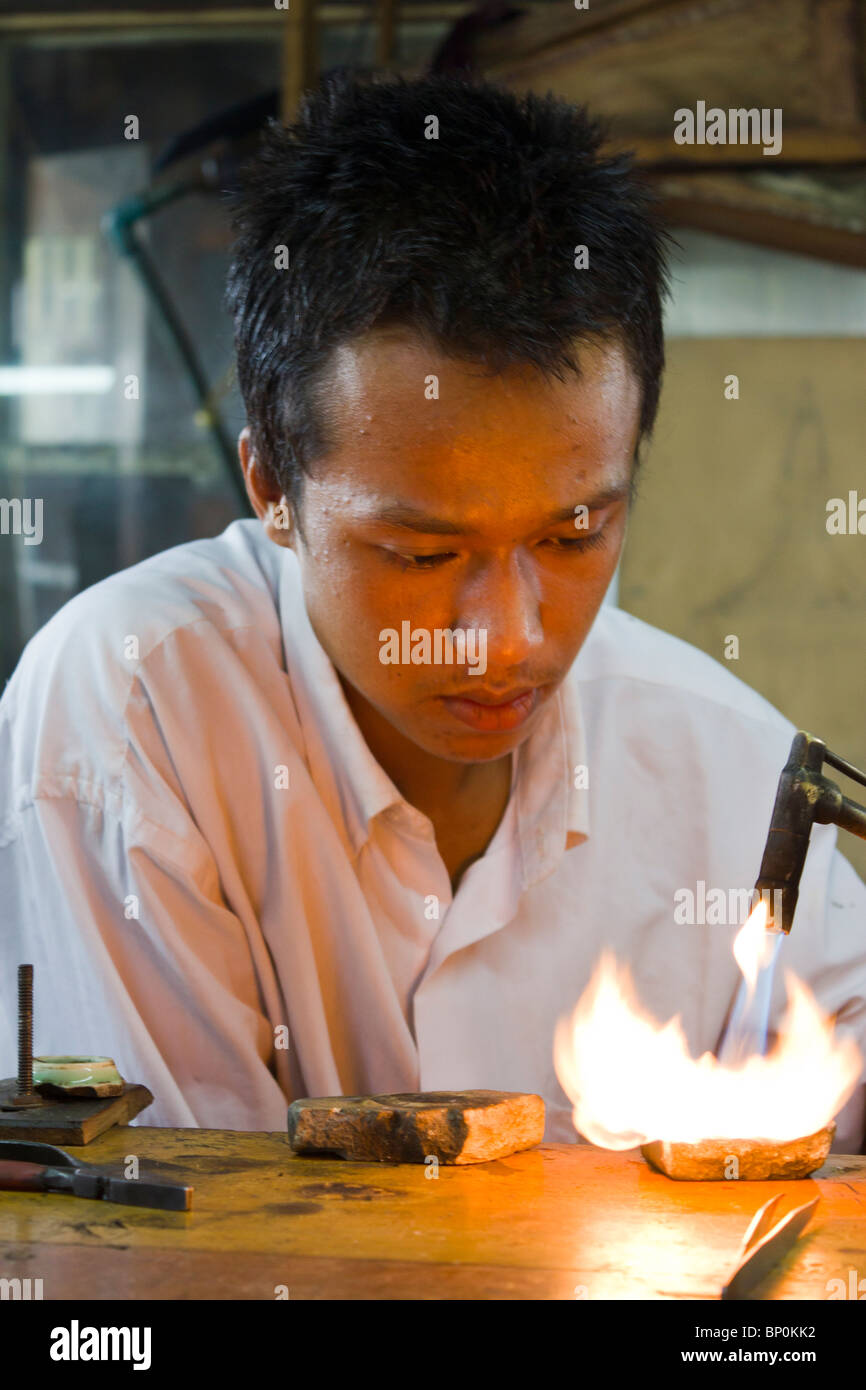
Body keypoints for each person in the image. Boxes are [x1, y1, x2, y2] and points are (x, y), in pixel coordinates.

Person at [2, 72, 864, 1149]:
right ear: (270, 485)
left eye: (570, 535)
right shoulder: (135, 714)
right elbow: (176, 1239)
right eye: (421, 550)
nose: (507, 635)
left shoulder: (729, 774)